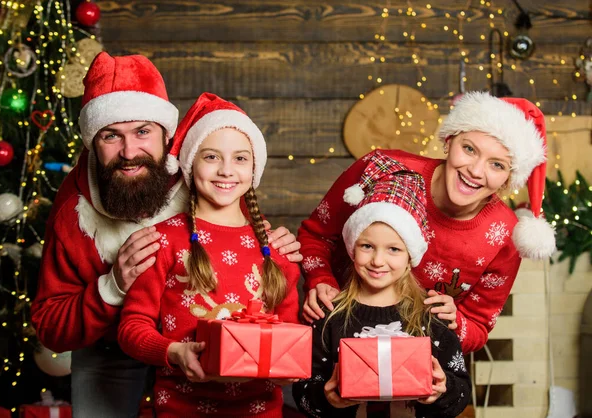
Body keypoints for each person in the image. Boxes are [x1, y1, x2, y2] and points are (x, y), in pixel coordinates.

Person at [31, 54, 300, 418]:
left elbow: (237, 215)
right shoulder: (72, 213)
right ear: (93, 142)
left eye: (143, 132)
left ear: (167, 134)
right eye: (111, 135)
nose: (129, 152)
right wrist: (110, 287)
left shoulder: (202, 166)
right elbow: (50, 328)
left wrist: (269, 243)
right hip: (112, 344)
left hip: (213, 356)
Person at [299, 92, 556, 354]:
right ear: (449, 140)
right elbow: (315, 236)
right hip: (334, 340)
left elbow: (478, 328)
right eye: (469, 149)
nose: (476, 171)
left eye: (497, 165)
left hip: (413, 367)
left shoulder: (505, 236)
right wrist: (321, 280)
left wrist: (456, 322)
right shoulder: (384, 169)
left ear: (508, 179)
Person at [118, 92, 301, 418]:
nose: (227, 171)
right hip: (181, 409)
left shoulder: (276, 251)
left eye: (240, 158)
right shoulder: (162, 241)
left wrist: (287, 367)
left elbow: (289, 335)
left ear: (255, 168)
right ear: (190, 164)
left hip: (260, 411)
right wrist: (174, 351)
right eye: (212, 157)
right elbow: (132, 328)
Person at [292, 155, 471, 417]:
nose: (378, 261)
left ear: (410, 258)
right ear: (352, 248)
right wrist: (327, 398)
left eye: (394, 249)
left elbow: (462, 393)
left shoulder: (433, 316)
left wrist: (443, 389)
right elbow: (303, 391)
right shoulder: (329, 316)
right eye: (367, 246)